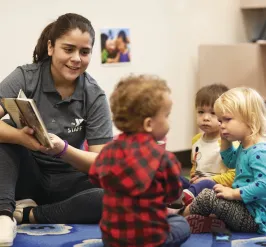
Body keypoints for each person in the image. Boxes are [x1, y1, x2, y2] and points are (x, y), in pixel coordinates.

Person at [0, 13, 113, 246]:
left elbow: (101, 162)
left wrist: (63, 150)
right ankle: (3, 214)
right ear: (51, 47)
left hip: (69, 183)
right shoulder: (25, 76)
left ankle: (30, 214)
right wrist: (20, 138)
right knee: (7, 130)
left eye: (84, 52)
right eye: (68, 49)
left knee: (115, 196)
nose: (76, 59)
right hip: (26, 176)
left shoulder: (94, 95)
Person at [89, 75, 190, 247]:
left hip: (112, 239)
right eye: (166, 116)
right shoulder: (164, 159)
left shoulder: (108, 151)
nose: (169, 121)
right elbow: (173, 194)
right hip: (151, 240)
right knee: (181, 224)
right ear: (149, 124)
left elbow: (94, 177)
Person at [184, 87, 266, 234]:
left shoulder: (259, 151)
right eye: (220, 121)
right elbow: (230, 161)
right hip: (243, 206)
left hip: (255, 216)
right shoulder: (245, 145)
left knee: (208, 197)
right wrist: (225, 141)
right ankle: (210, 221)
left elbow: (263, 185)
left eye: (227, 119)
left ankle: (177, 218)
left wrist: (234, 194)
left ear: (250, 119)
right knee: (211, 195)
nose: (221, 125)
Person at [175, 84, 236, 207]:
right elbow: (196, 164)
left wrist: (210, 180)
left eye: (213, 113)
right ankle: (170, 200)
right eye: (201, 112)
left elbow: (234, 176)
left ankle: (180, 204)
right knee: (177, 179)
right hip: (197, 186)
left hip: (218, 189)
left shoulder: (229, 142)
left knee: (204, 184)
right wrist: (193, 176)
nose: (205, 118)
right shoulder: (196, 140)